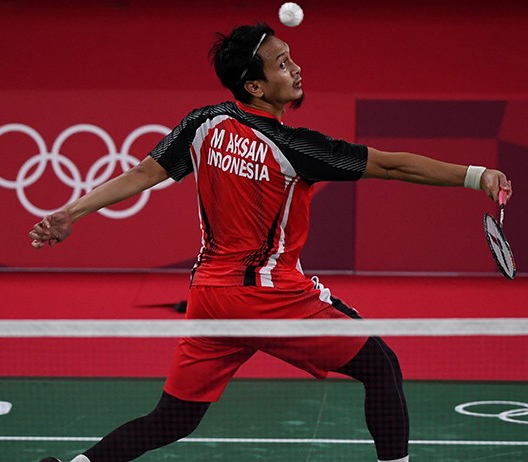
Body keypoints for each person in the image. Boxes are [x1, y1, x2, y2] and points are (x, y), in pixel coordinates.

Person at [30, 22, 512, 462]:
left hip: (211, 298)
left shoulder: (203, 122)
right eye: (282, 64)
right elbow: (392, 165)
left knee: (175, 418)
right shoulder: (295, 147)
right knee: (381, 364)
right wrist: (476, 175)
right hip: (268, 295)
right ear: (255, 86)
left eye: (291, 57)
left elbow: (143, 172)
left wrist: (69, 213)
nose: (296, 68)